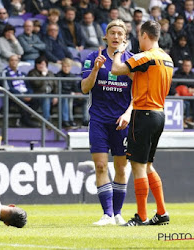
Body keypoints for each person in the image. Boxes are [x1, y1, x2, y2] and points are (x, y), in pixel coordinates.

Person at [111, 20, 173, 226]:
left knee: (137, 166)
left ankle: (141, 217)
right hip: (159, 114)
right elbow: (140, 75)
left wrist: (120, 51)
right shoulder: (166, 58)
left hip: (143, 113)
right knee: (148, 165)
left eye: (139, 36)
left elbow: (116, 69)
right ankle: (162, 212)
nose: (139, 40)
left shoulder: (145, 56)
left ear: (145, 35)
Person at [81, 19, 133, 226]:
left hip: (122, 122)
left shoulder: (131, 61)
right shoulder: (93, 58)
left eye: (120, 34)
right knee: (101, 166)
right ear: (106, 36)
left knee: (121, 168)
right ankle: (107, 214)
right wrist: (95, 70)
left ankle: (118, 213)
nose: (116, 37)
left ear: (125, 38)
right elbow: (85, 88)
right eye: (112, 33)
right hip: (99, 120)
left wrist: (128, 113)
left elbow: (137, 95)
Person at [3, 55, 39, 128]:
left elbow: (29, 86)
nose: (14, 62)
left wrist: (29, 94)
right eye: (12, 60)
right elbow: (8, 87)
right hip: (13, 96)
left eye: (16, 60)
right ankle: (26, 120)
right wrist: (21, 95)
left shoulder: (22, 74)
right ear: (9, 62)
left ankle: (24, 119)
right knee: (20, 100)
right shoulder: (5, 73)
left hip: (24, 94)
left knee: (37, 99)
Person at [28, 56, 58, 122]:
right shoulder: (32, 73)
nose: (41, 66)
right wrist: (43, 75)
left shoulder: (50, 73)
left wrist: (55, 96)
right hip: (37, 94)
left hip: (50, 94)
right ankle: (47, 121)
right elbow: (37, 84)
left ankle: (66, 121)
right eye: (39, 64)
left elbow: (55, 85)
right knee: (46, 98)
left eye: (43, 64)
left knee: (65, 98)